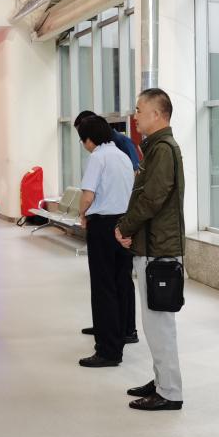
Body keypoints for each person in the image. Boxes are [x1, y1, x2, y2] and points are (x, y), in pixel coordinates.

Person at [115, 89, 185, 412]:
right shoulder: (155, 148)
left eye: (139, 110)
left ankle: (169, 392)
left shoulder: (163, 150)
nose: (135, 116)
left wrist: (125, 227)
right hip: (153, 246)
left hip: (160, 250)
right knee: (154, 323)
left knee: (159, 326)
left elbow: (152, 199)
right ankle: (161, 381)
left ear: (157, 114)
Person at [75, 115, 136, 367]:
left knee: (103, 288)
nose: (84, 145)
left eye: (83, 140)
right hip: (125, 224)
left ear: (89, 139)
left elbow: (88, 196)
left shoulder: (97, 157)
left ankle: (108, 351)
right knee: (121, 283)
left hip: (102, 226)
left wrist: (82, 214)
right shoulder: (122, 156)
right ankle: (121, 335)